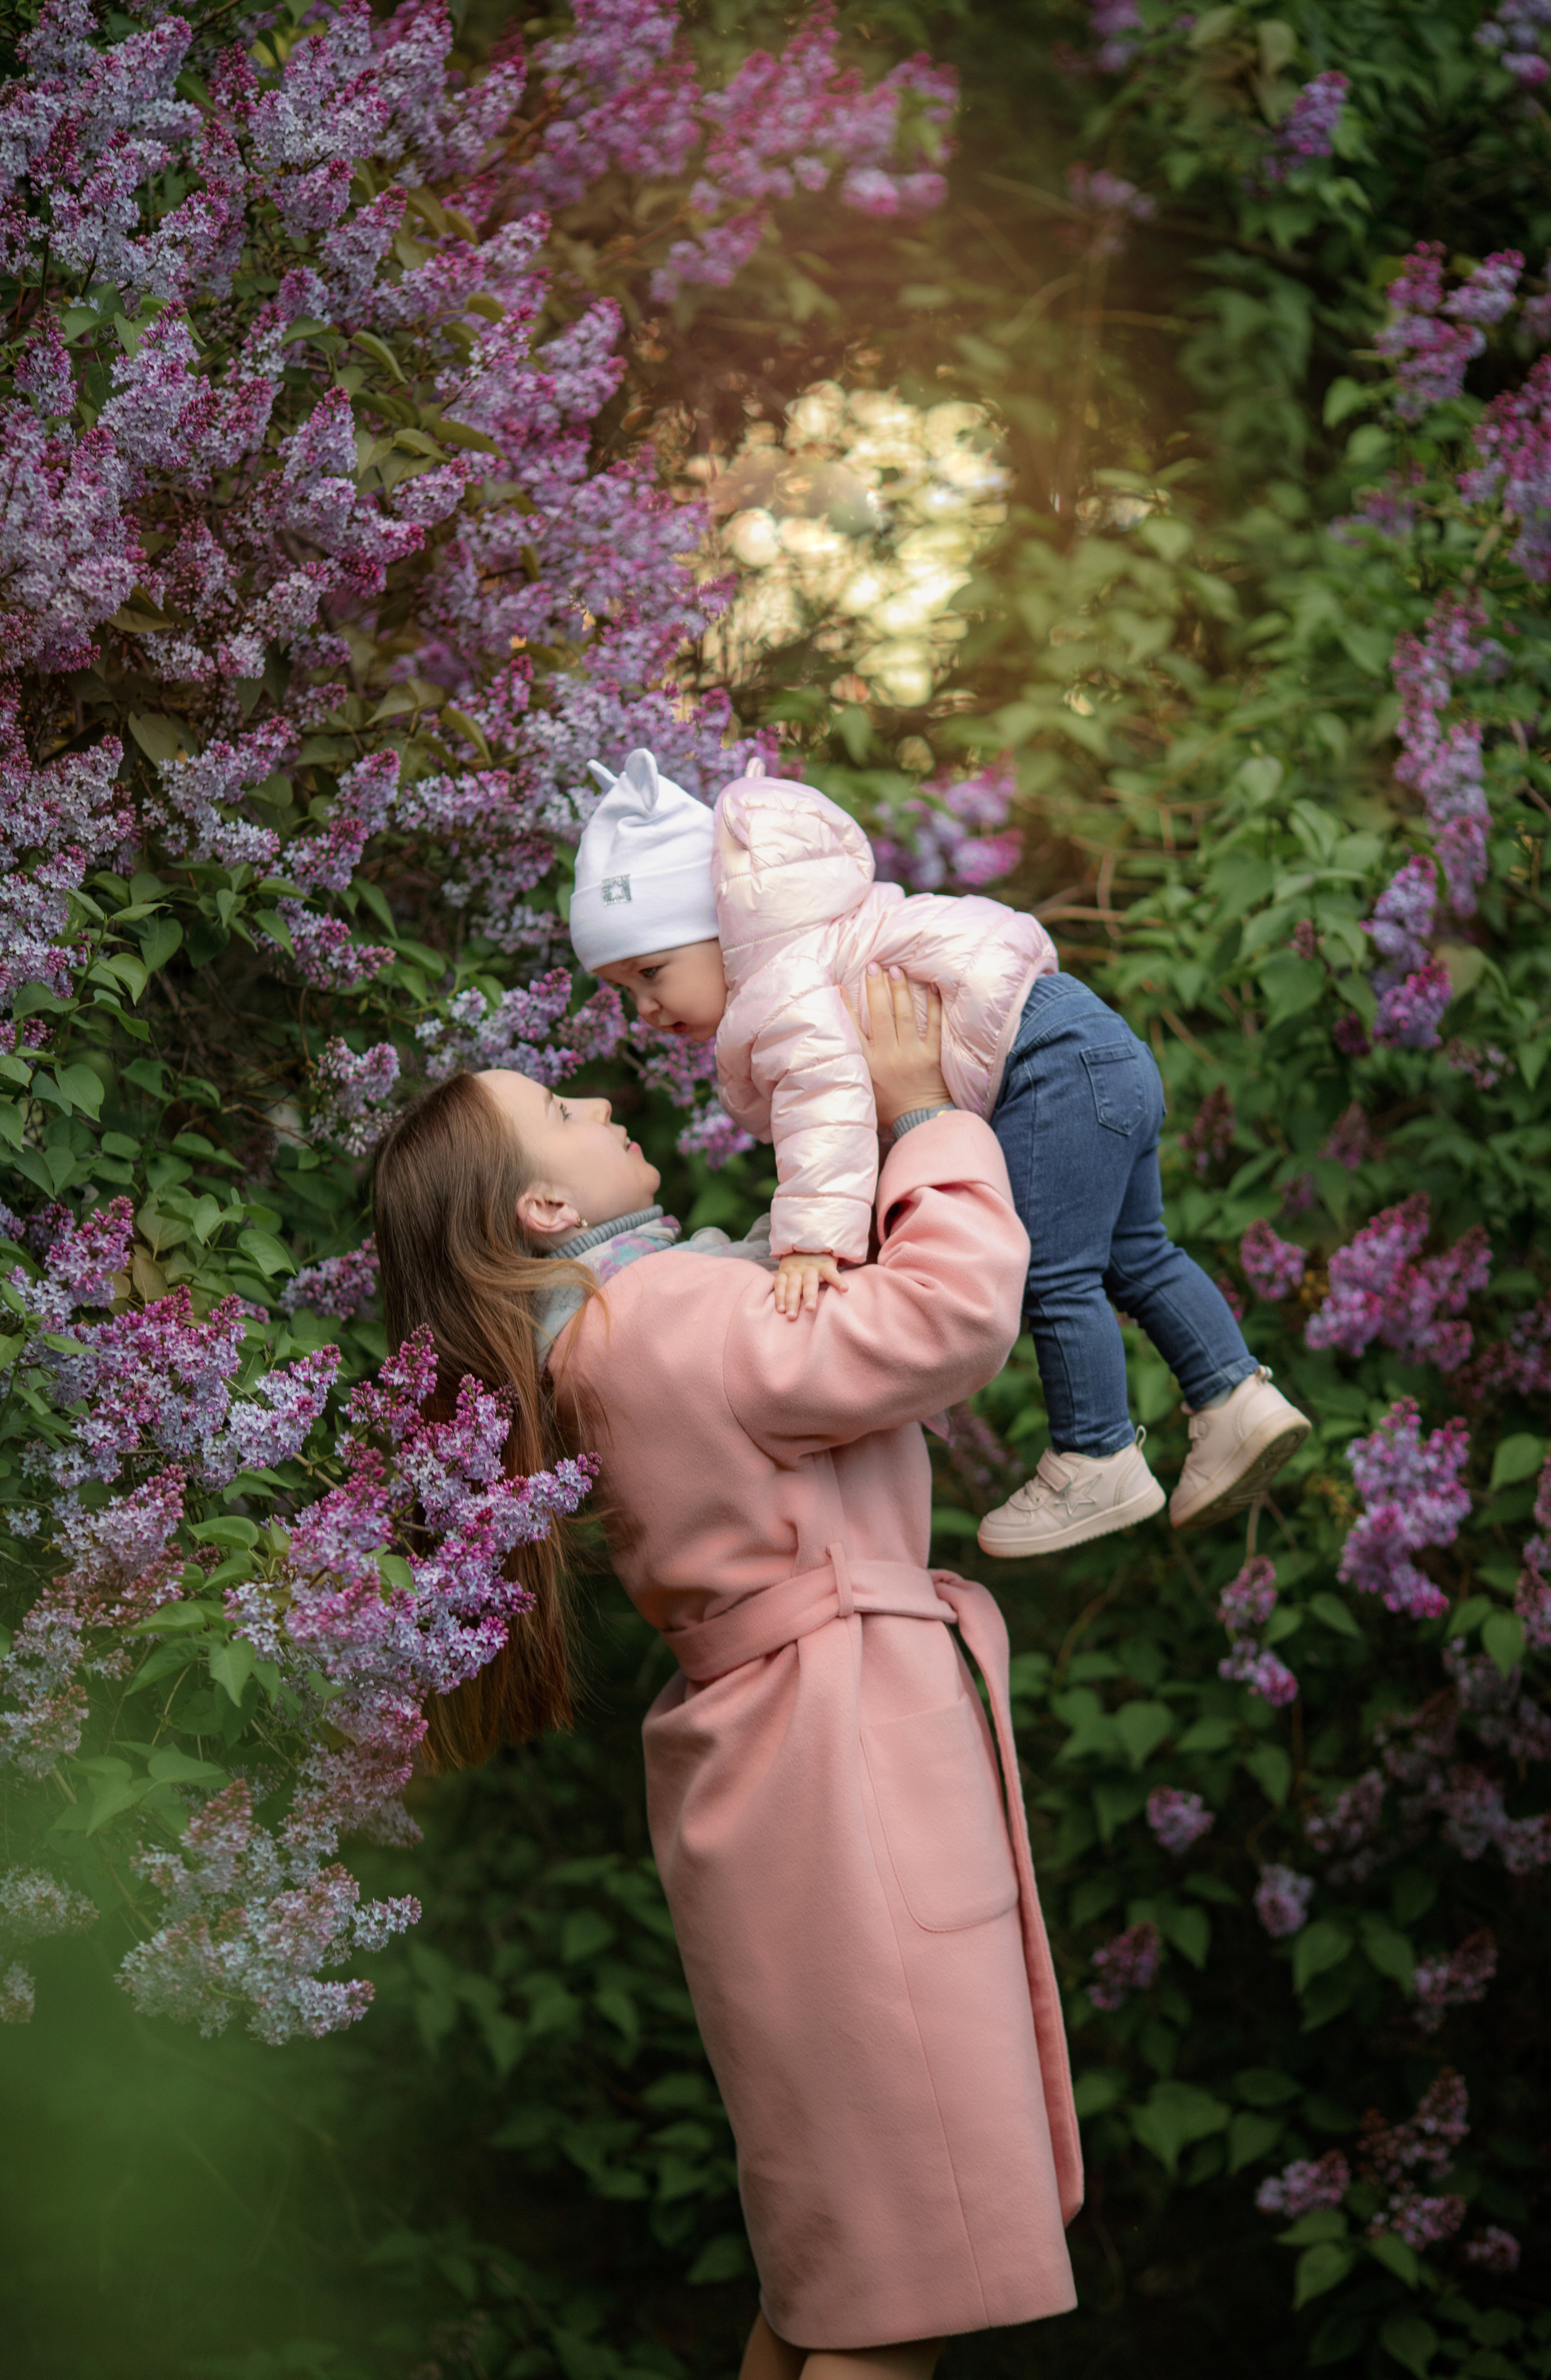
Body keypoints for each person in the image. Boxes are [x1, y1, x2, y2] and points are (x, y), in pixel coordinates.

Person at [371, 975, 1081, 2380]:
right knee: (901, 2298)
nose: (604, 1101)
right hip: (847, 1754)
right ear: (544, 1213)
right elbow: (941, 1322)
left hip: (792, 1756)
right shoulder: (668, 1323)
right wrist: (925, 1118)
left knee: (844, 2271)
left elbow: (807, 1316)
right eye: (563, 1111)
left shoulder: (605, 1341)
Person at [571, 749, 1311, 1559]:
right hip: (1095, 1041)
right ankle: (1235, 1396)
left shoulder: (782, 981)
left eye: (653, 971)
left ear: (722, 923)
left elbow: (829, 1102)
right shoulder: (829, 939)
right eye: (622, 990)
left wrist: (814, 1241)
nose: (643, 1007)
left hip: (1042, 1068)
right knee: (1136, 1251)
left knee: (1054, 1272)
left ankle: (1097, 1453)